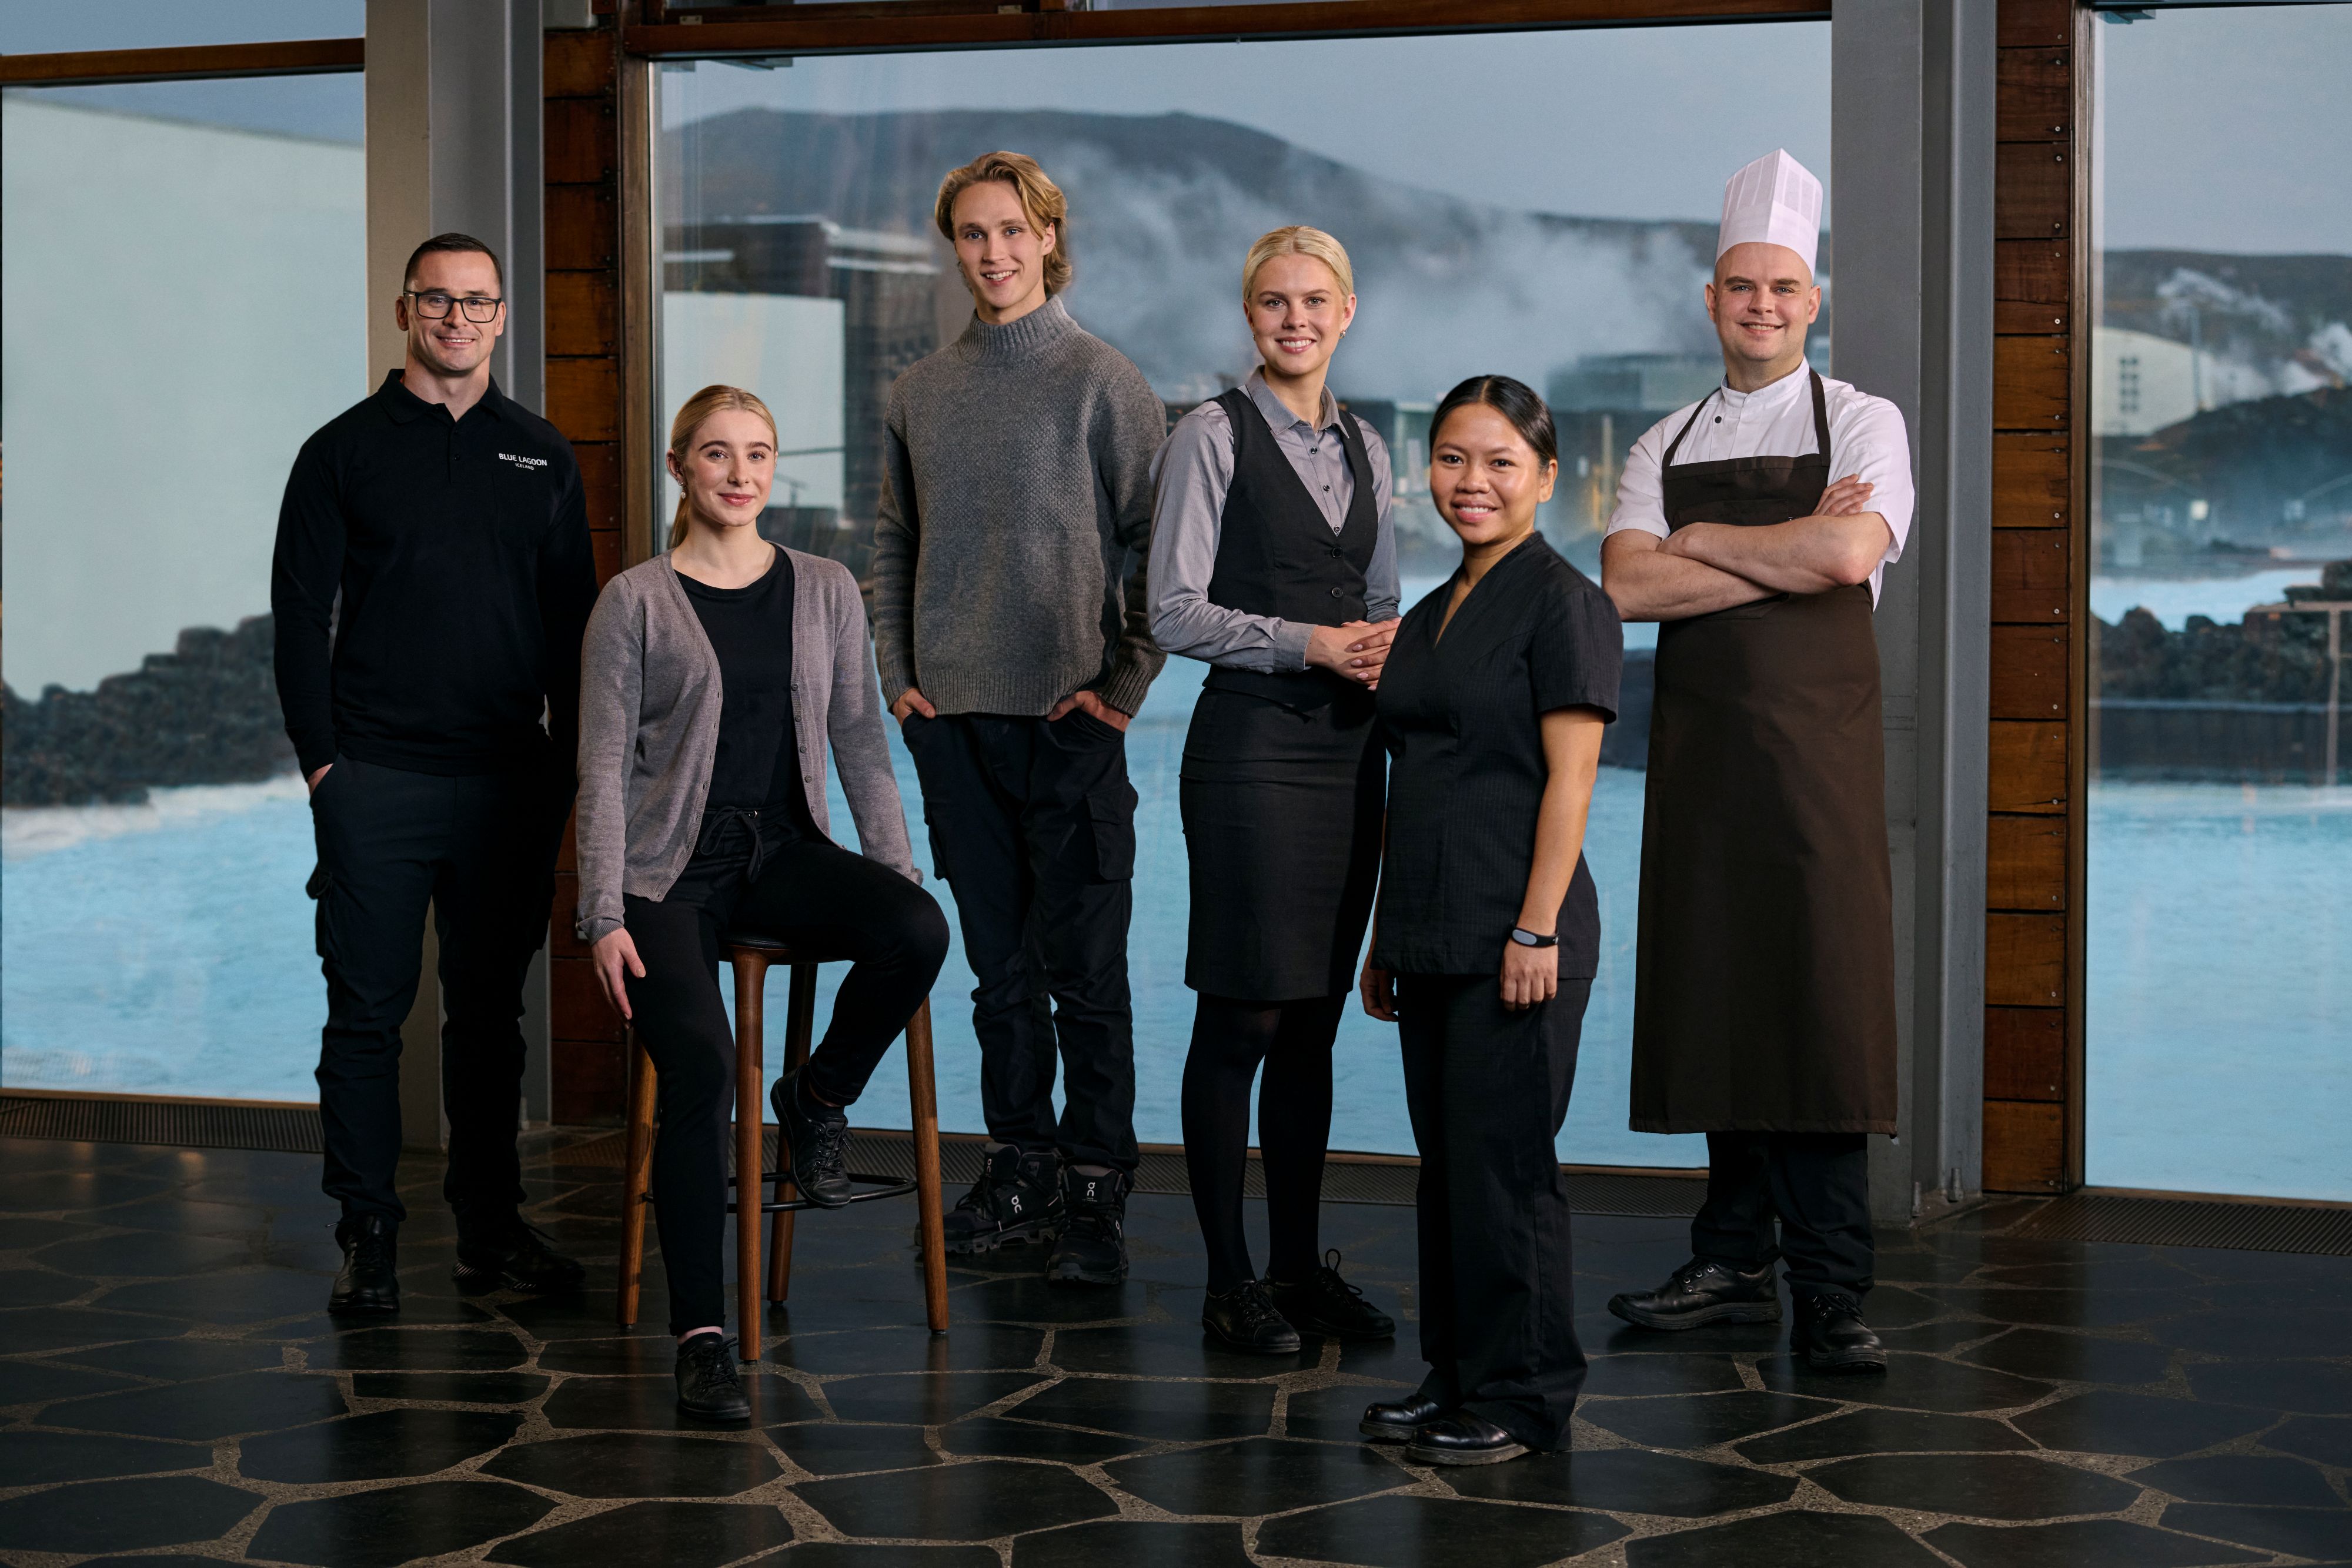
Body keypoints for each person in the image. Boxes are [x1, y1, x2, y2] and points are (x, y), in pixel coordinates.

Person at [577, 385, 950, 1420]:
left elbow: (860, 739)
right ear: (679, 468)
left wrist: (893, 864)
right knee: (702, 1068)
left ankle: (816, 1097)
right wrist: (601, 912)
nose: (740, 474)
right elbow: (600, 766)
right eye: (717, 454)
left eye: (758, 453)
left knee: (917, 930)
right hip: (666, 873)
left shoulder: (825, 587)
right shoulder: (634, 602)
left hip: (784, 850)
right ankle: (702, 1338)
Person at [1599, 150, 1911, 1373]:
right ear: (1711, 299)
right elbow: (1627, 588)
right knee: (1718, 989)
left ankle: (1831, 1288)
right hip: (1703, 760)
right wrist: (1788, 544)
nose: (1762, 306)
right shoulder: (1662, 437)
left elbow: (1848, 559)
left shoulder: (1866, 420)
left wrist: (1701, 541)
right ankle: (1730, 1261)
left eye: (1782, 287)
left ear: (1811, 299)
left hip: (1818, 763)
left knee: (1820, 1002)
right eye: (1742, 287)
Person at [273, 232, 597, 1316]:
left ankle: (490, 1232)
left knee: (490, 1021)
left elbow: (575, 631)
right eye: (438, 300)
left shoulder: (541, 454)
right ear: (406, 309)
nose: (458, 319)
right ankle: (366, 1233)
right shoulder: (340, 451)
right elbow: (297, 619)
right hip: (375, 778)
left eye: (477, 302)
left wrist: (565, 775)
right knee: (365, 1018)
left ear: (502, 315)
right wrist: (325, 768)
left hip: (508, 784)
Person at [873, 151, 1168, 1286]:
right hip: (953, 724)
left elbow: (1157, 549)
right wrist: (900, 678)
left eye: (1011, 230)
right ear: (954, 246)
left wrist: (1123, 692)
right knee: (999, 979)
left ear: (1048, 236)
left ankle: (1096, 1188)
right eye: (972, 233)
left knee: (1086, 980)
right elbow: (895, 540)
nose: (993, 253)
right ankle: (1021, 1167)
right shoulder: (920, 392)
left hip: (1070, 721)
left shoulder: (1105, 380)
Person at [1357, 376, 1621, 1466]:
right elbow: (1411, 779)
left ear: (1546, 477)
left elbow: (1572, 781)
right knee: (1450, 1168)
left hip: (1520, 930)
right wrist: (1386, 936)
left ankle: (1524, 1395)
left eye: (1502, 462)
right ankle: (1457, 1374)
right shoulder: (1431, 613)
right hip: (1431, 925)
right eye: (1454, 459)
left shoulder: (1565, 603)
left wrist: (1535, 930)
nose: (1473, 482)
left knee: (1507, 1171)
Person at [1148, 226, 1401, 1353]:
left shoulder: (1371, 446)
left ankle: (1298, 1271)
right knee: (1243, 1014)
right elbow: (1171, 611)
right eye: (1272, 302)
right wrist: (1310, 645)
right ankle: (1228, 1281)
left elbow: (1382, 606)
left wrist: (1395, 660)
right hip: (1250, 753)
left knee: (1310, 1026)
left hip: (1350, 760)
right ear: (1249, 314)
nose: (1294, 320)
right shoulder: (1210, 435)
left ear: (1347, 312)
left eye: (1313, 301)